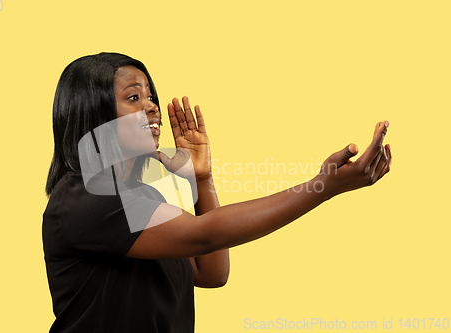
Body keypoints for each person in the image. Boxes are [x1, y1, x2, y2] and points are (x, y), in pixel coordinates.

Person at [43, 52, 392, 333]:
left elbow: (212, 272)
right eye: (134, 97)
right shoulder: (84, 198)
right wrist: (323, 187)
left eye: (152, 96)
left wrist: (202, 179)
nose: (152, 107)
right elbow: (204, 235)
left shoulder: (141, 201)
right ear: (93, 116)